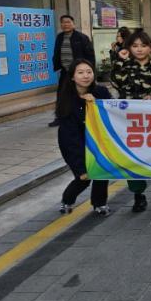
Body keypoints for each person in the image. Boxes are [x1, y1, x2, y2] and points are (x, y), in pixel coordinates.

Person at [111, 29, 151, 212]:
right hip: (131, 123)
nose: (139, 49)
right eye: (134, 46)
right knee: (133, 159)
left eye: (143, 45)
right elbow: (116, 82)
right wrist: (120, 60)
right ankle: (138, 195)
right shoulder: (125, 66)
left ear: (150, 47)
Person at [56, 58, 111, 215]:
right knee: (83, 178)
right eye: (80, 72)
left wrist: (96, 103)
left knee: (101, 173)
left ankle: (100, 204)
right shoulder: (66, 99)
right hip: (75, 143)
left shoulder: (101, 92)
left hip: (99, 141)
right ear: (72, 77)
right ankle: (67, 200)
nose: (86, 76)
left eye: (89, 72)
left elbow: (112, 113)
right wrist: (80, 167)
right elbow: (70, 137)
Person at [50, 15, 95, 127]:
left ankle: (86, 114)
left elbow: (90, 55)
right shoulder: (60, 37)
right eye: (63, 22)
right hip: (66, 72)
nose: (65, 24)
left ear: (73, 24)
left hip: (80, 72)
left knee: (81, 93)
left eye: (68, 22)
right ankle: (60, 117)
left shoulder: (81, 37)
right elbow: (57, 53)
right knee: (62, 94)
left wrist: (89, 71)